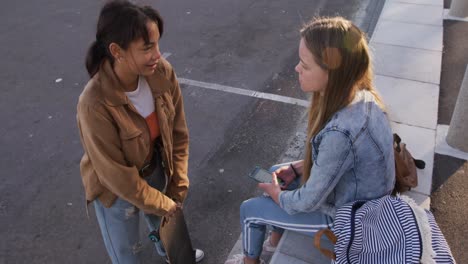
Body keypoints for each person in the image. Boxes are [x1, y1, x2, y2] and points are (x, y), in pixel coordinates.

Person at [225, 17, 395, 264]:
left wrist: (276, 195)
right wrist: (297, 167)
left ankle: (250, 262)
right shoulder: (362, 96)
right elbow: (339, 161)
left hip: (350, 223)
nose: (296, 68)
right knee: (276, 172)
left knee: (250, 210)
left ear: (331, 73)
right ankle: (274, 243)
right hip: (363, 201)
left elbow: (307, 201)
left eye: (305, 65)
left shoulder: (341, 131)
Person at [76, 1, 204, 263]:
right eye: (147, 48)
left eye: (157, 44)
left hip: (153, 167)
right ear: (117, 51)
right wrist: (164, 203)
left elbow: (179, 133)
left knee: (166, 228)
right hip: (116, 190)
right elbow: (118, 176)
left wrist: (179, 180)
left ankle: (169, 253)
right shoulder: (94, 104)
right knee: (128, 254)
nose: (158, 54)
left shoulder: (161, 73)